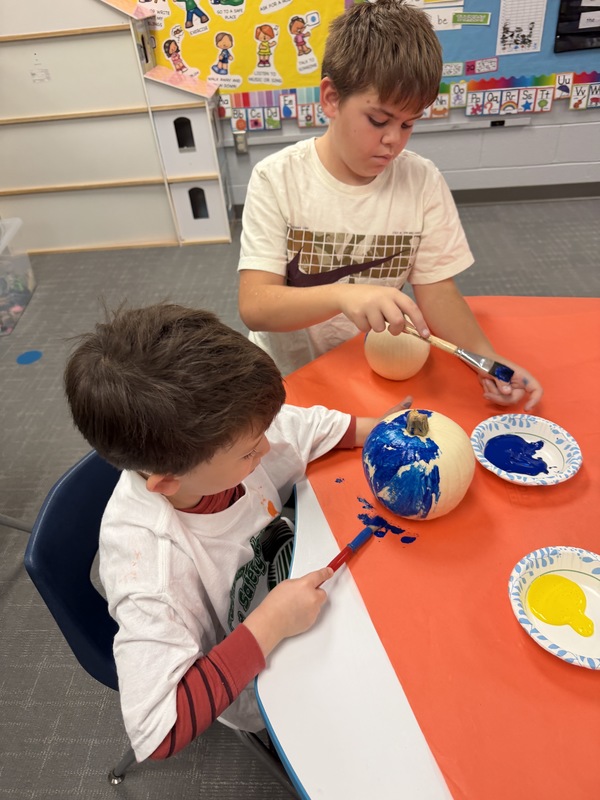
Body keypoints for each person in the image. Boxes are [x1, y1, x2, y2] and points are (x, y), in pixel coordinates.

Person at [64, 302, 408, 763]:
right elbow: (156, 730)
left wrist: (379, 431)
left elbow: (307, 428)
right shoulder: (150, 564)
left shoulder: (224, 438)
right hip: (258, 676)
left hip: (300, 594)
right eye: (250, 452)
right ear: (167, 483)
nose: (267, 448)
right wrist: (270, 624)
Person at [238, 0, 542, 410]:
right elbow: (256, 305)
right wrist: (345, 296)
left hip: (376, 375)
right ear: (331, 98)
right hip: (290, 379)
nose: (393, 141)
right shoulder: (278, 178)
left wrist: (485, 359)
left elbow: (438, 293)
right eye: (378, 121)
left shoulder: (422, 180)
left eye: (408, 124)